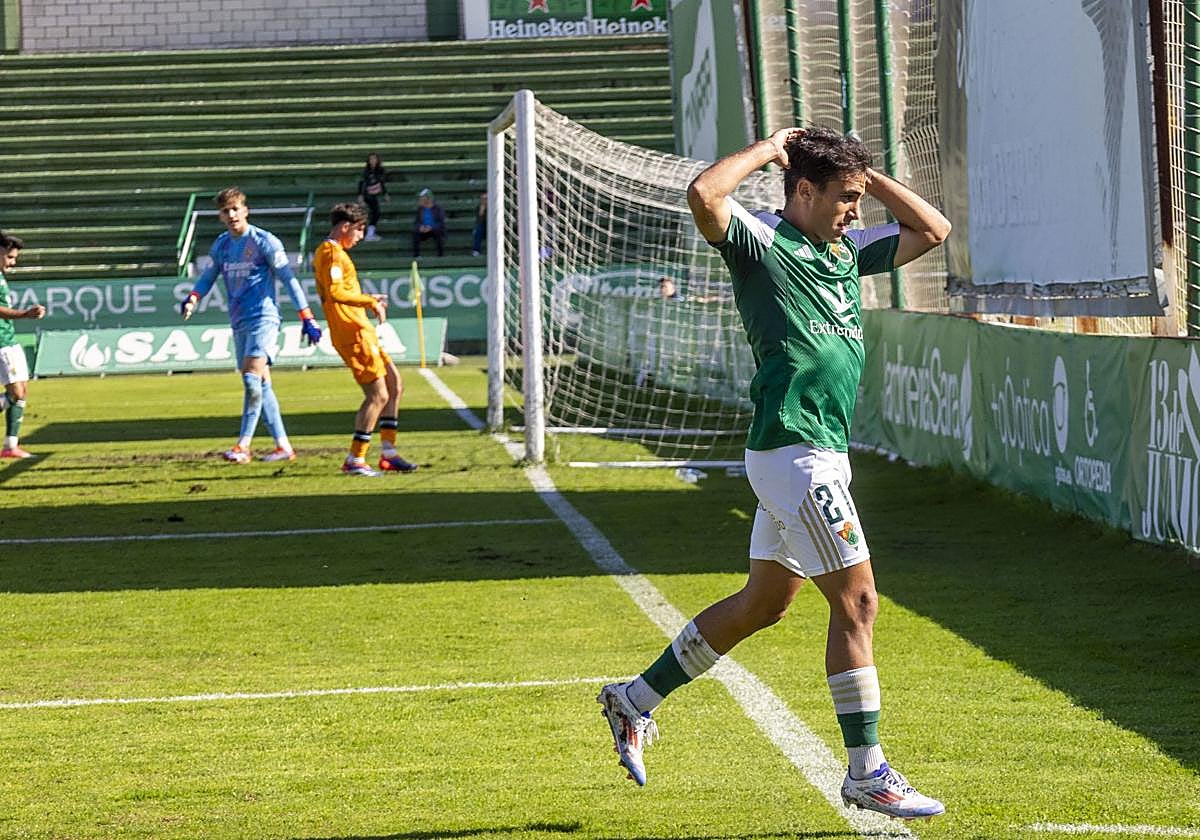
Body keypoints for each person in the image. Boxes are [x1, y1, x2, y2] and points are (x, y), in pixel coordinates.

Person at [597, 126, 951, 821]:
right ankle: (867, 771)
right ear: (803, 191)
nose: (856, 209)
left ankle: (633, 699)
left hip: (813, 453)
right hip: (794, 452)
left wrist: (864, 176)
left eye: (859, 198)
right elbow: (704, 193)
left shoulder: (847, 252)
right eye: (843, 197)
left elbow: (933, 230)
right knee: (858, 603)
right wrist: (772, 147)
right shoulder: (765, 243)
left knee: (765, 605)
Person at [180, 187, 322, 464]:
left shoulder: (264, 241)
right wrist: (193, 297)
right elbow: (209, 275)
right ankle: (284, 447)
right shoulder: (222, 245)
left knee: (251, 378)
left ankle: (243, 446)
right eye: (225, 211)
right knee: (261, 384)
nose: (231, 214)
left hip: (264, 318)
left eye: (235, 209)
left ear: (246, 210)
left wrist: (307, 316)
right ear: (220, 216)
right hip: (239, 320)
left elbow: (289, 280)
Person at [313, 202, 418, 477]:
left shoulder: (337, 254)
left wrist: (366, 302)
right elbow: (335, 292)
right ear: (345, 227)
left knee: (394, 385)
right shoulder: (332, 253)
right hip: (352, 332)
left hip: (361, 329)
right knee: (378, 395)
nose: (360, 237)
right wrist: (369, 300)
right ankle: (355, 460)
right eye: (359, 230)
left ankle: (389, 453)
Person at [0, 232, 45, 459]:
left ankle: (10, 445)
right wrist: (25, 314)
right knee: (15, 393)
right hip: (1, 342)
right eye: (9, 257)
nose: (12, 262)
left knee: (23, 390)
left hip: (9, 338)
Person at [357, 152, 389, 241]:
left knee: (375, 212)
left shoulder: (380, 170)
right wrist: (361, 196)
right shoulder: (366, 171)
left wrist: (385, 193)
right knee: (376, 212)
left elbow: (381, 182)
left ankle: (370, 232)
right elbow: (362, 183)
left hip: (375, 193)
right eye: (371, 159)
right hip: (367, 194)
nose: (373, 161)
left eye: (374, 159)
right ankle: (369, 233)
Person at [412, 188, 446, 258]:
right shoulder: (420, 209)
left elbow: (441, 223)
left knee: (438, 232)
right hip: (424, 230)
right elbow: (417, 222)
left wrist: (431, 227)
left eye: (422, 197)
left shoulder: (438, 209)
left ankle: (440, 255)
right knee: (416, 232)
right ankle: (417, 255)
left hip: (433, 230)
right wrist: (420, 227)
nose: (420, 199)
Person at [471, 192, 487, 257]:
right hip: (484, 228)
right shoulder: (479, 208)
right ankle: (476, 250)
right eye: (483, 199)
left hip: (493, 228)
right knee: (478, 230)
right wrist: (482, 211)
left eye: (486, 199)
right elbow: (479, 221)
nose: (485, 200)